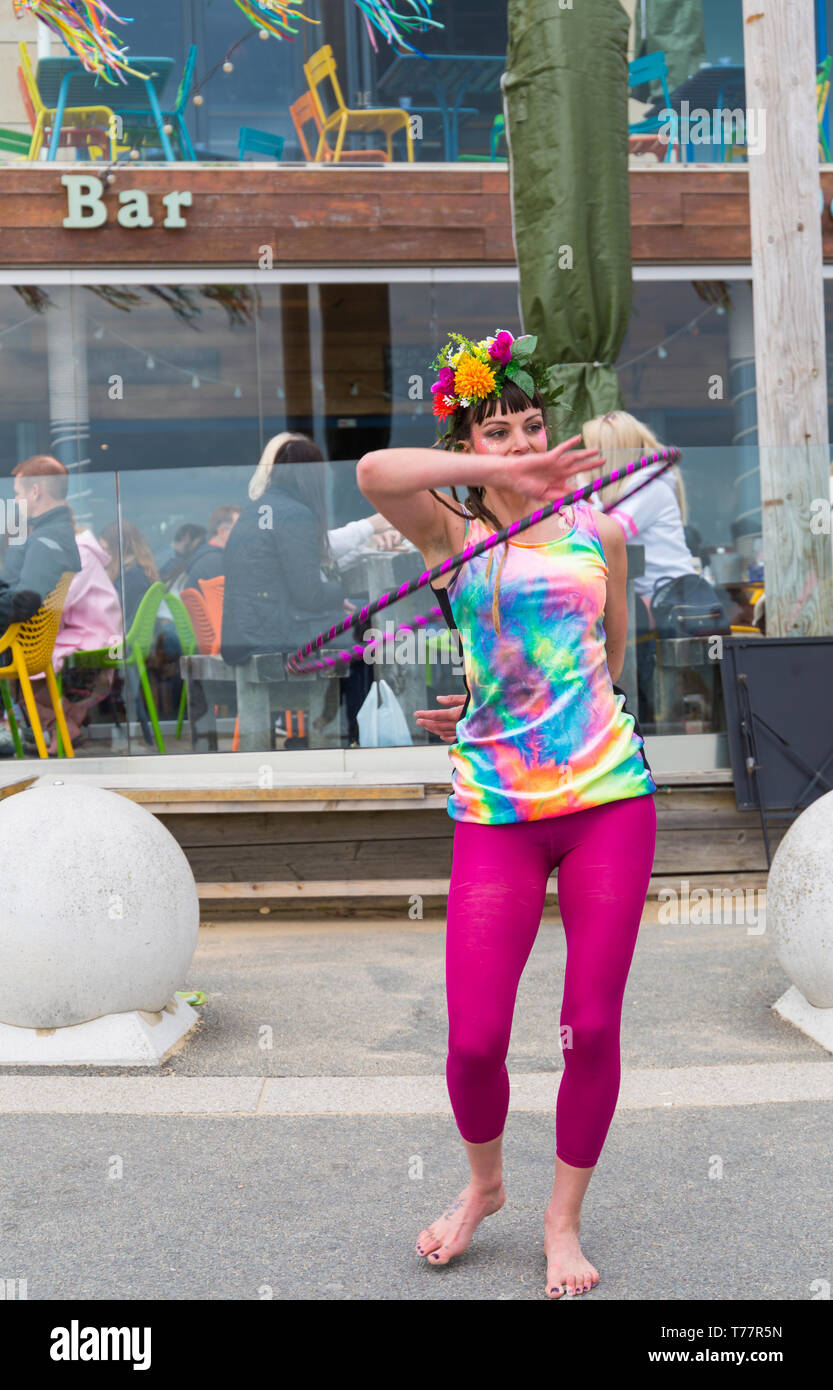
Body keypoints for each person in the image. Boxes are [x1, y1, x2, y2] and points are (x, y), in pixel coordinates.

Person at [357, 328, 658, 1299]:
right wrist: (489, 462)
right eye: (502, 431)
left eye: (536, 425)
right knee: (475, 1040)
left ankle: (559, 1217)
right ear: (468, 450)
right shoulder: (451, 535)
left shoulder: (597, 533)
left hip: (607, 799)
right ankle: (483, 1184)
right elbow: (373, 469)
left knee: (589, 1026)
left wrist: (525, 698)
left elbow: (605, 662)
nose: (528, 440)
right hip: (498, 811)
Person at [221, 432, 402, 743]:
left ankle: (338, 729)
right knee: (365, 639)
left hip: (248, 631)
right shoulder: (295, 514)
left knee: (354, 627)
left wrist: (333, 599)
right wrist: (339, 595)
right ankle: (355, 735)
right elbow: (308, 593)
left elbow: (293, 585)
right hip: (271, 636)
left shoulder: (258, 509)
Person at [0, 456, 81, 756]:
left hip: (16, 646)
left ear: (35, 492)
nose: (17, 500)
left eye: (19, 494)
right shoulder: (53, 535)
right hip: (25, 645)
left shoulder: (48, 541)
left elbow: (25, 601)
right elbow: (12, 583)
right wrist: (20, 528)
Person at [27, 521, 123, 753]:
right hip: (87, 632)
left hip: (93, 636)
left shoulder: (79, 553)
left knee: (26, 664)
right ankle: (68, 722)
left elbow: (58, 600)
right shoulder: (78, 551)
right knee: (28, 661)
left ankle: (63, 725)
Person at [181, 505, 241, 589]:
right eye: (240, 528)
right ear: (222, 532)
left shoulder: (206, 556)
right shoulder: (215, 562)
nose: (245, 533)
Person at [158, 522, 206, 590]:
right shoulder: (169, 561)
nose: (200, 549)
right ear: (187, 537)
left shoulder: (163, 556)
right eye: (200, 543)